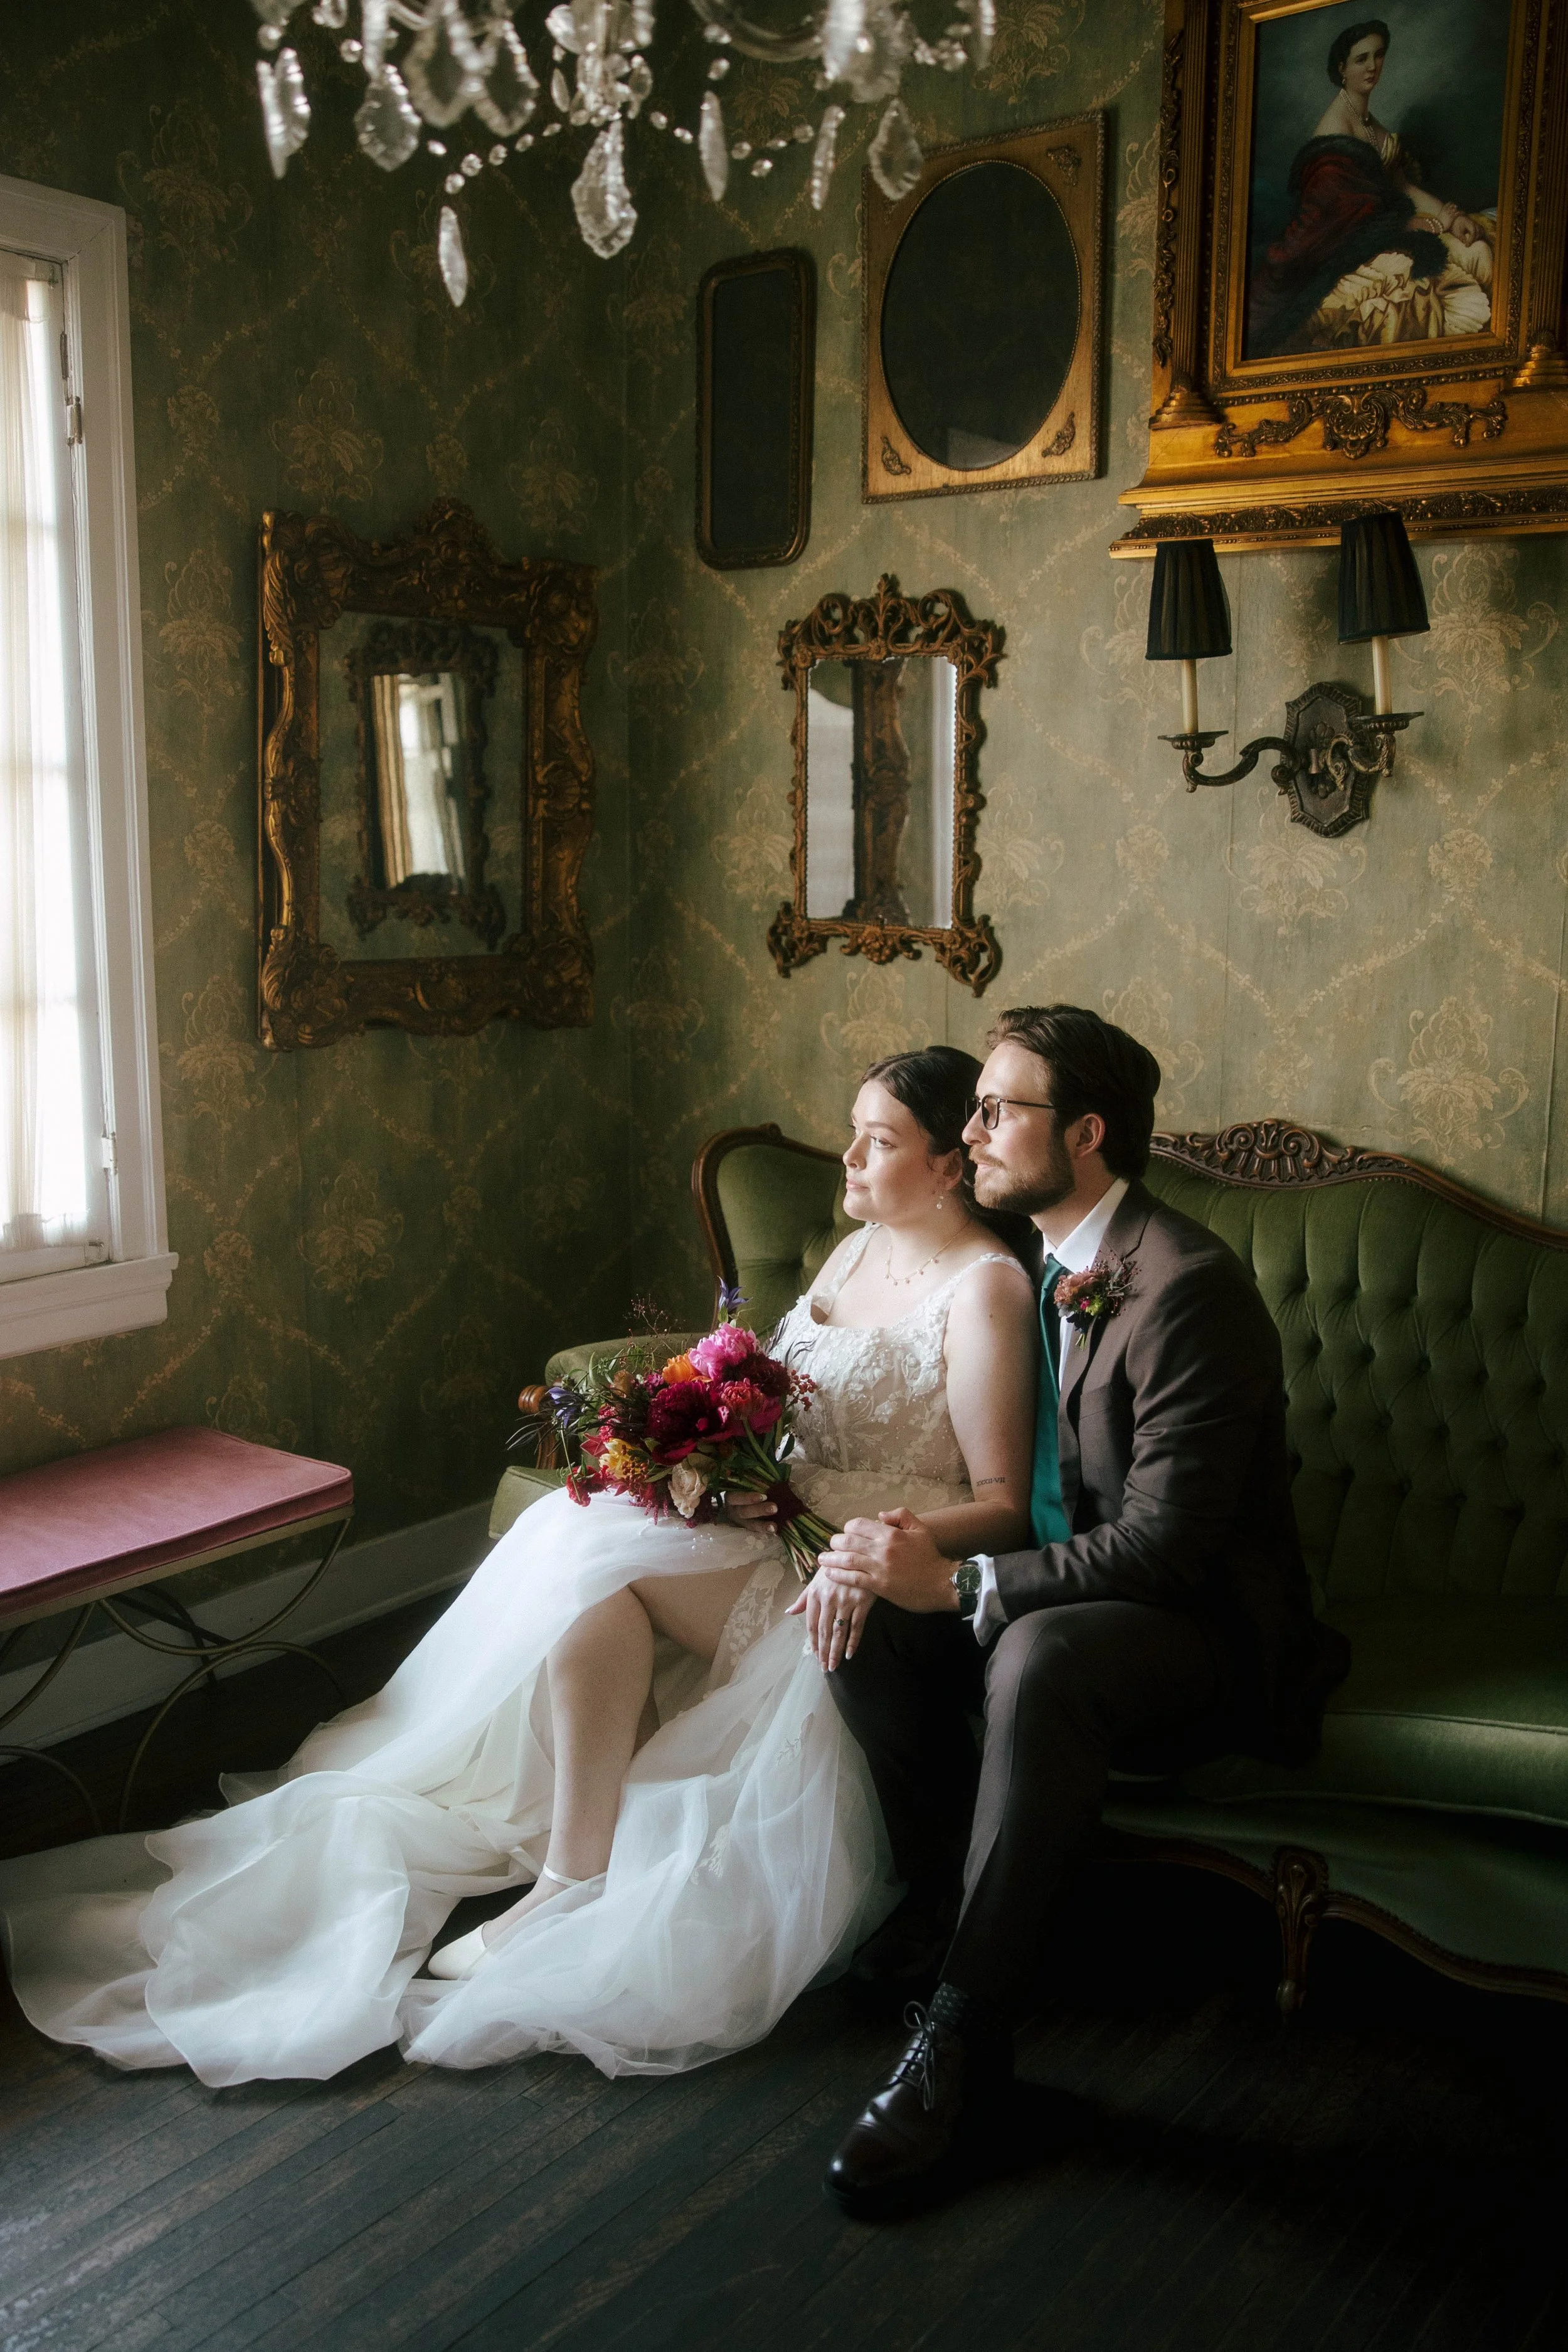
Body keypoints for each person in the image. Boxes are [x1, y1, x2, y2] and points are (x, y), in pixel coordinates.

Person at [0, 1047, 1039, 2088]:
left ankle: (576, 1873)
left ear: (954, 1165)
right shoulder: (851, 1252)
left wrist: (876, 1548)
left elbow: (1000, 1504)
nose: (850, 1156)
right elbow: (780, 1406)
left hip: (870, 1559)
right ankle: (570, 1867)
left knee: (591, 1556)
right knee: (588, 1546)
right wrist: (708, 1458)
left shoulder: (985, 1290)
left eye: (882, 1141)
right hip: (772, 1513)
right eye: (853, 1127)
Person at [815, 1005, 1350, 2217]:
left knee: (1040, 1655)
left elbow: (1167, 1545)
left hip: (1203, 1633)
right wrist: (900, 1559)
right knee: (859, 1602)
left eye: (1000, 1111)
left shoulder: (1186, 1289)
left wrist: (967, 1585)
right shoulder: (1040, 1263)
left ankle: (962, 2043)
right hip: (1073, 1592)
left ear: (1090, 1133)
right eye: (976, 1110)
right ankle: (949, 1896)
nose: (974, 1129)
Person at [1247, 19, 1495, 358]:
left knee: (1478, 244)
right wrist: (1407, 226)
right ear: (1342, 68)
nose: (1373, 66)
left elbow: (1400, 184)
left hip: (1383, 233)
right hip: (1342, 249)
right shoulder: (1334, 129)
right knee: (1462, 267)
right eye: (1361, 59)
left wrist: (1450, 218)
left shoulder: (1366, 120)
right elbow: (1336, 220)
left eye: (1378, 56)